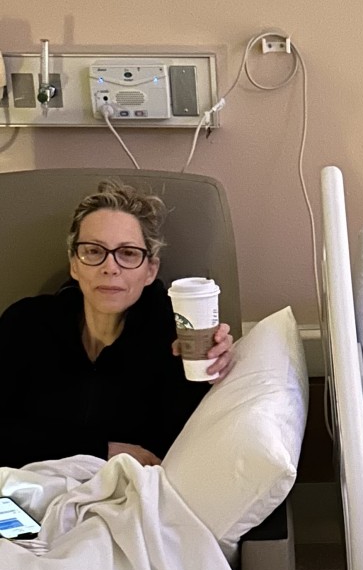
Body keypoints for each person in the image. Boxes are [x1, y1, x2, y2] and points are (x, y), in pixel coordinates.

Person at [0, 179, 233, 468]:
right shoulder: (25, 324)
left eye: (128, 253)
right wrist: (101, 449)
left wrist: (213, 370)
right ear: (75, 263)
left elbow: (182, 454)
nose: (110, 267)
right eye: (94, 251)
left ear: (150, 271)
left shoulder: (174, 341)